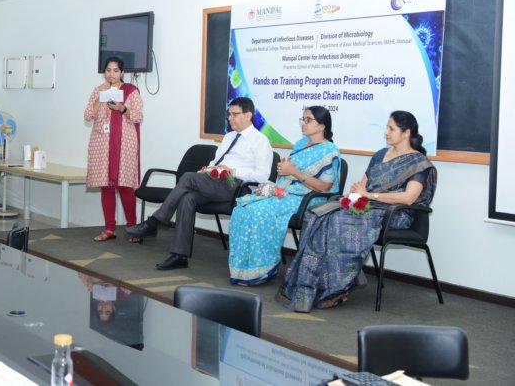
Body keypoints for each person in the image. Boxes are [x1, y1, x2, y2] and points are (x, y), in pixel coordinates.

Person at [276, 110, 437, 313]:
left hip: (394, 214)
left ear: (406, 133)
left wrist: (369, 195)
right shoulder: (380, 155)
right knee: (318, 214)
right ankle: (314, 286)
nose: (386, 132)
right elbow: (363, 185)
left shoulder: (418, 163)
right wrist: (357, 191)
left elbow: (408, 198)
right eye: (386, 128)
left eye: (391, 129)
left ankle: (335, 288)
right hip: (366, 207)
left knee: (338, 221)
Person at [127, 97, 273, 270]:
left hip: (237, 187)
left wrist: (232, 172)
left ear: (248, 115)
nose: (230, 118)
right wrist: (207, 170)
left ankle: (154, 222)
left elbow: (262, 175)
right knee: (187, 198)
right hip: (216, 182)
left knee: (188, 178)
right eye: (229, 114)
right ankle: (179, 256)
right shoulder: (229, 137)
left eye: (235, 114)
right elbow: (216, 161)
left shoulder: (260, 141)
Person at [228, 106, 341, 286]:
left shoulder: (330, 150)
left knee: (259, 212)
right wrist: (283, 171)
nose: (303, 123)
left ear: (322, 126)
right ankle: (242, 269)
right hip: (287, 192)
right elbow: (288, 174)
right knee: (243, 209)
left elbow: (325, 187)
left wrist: (294, 172)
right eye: (303, 119)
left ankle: (262, 270)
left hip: (309, 199)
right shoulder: (300, 144)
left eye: (308, 120)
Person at [84, 56, 144, 242]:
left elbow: (138, 116)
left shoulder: (131, 91)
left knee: (125, 186)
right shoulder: (98, 90)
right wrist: (99, 97)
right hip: (101, 143)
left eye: (116, 70)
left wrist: (122, 109)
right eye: (108, 70)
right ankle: (109, 228)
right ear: (104, 72)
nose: (111, 74)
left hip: (125, 143)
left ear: (122, 72)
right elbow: (88, 115)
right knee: (107, 186)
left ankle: (132, 228)